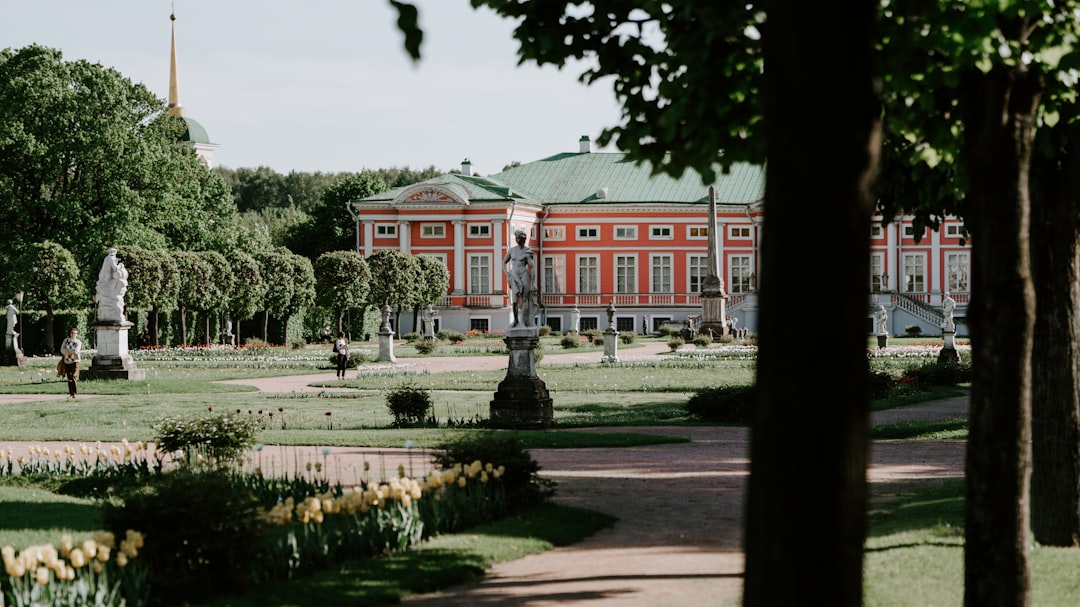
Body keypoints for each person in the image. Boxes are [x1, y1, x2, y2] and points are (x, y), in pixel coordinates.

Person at [503, 229, 535, 327]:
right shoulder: (512, 250)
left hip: (524, 274)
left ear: (523, 239)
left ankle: (523, 321)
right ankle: (516, 320)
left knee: (524, 299)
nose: (518, 240)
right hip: (514, 275)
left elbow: (532, 267)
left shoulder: (527, 251)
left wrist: (534, 283)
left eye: (520, 239)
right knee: (515, 301)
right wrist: (507, 273)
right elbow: (504, 262)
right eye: (517, 238)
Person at [95, 248, 129, 322]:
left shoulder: (107, 258)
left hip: (103, 276)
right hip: (106, 277)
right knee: (109, 289)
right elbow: (115, 268)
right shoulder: (111, 258)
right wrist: (120, 265)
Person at [60, 328, 81, 399]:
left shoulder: (78, 342)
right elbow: (62, 350)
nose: (73, 334)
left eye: (74, 333)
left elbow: (76, 351)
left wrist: (67, 351)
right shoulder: (66, 340)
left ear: (77, 334)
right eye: (72, 333)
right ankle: (71, 393)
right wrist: (70, 351)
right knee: (69, 377)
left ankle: (75, 393)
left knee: (74, 376)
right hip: (67, 361)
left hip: (75, 361)